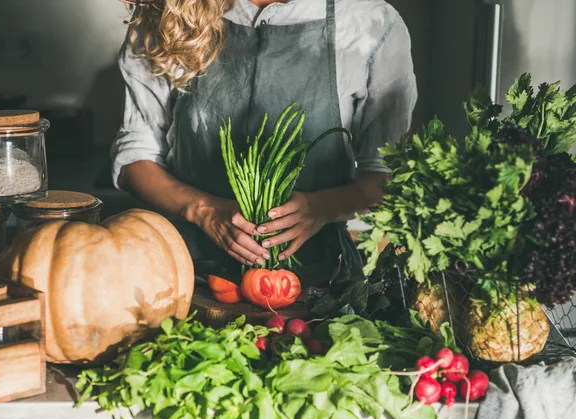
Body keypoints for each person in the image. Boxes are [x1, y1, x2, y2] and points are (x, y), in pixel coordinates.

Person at [110, 0, 417, 281]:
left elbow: (386, 175)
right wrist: (204, 211)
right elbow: (136, 157)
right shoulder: (170, 14)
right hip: (186, 272)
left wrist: (321, 208)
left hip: (319, 280)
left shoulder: (369, 21)